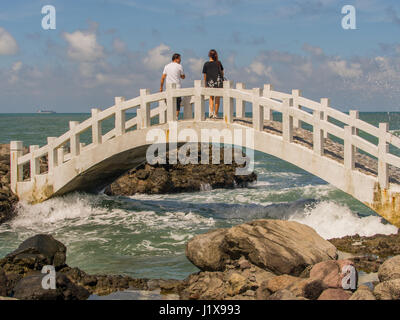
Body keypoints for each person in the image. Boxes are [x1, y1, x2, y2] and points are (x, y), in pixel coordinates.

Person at [160, 53, 185, 119]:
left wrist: (161, 88)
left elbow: (163, 78)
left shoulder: (166, 66)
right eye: (179, 59)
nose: (180, 60)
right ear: (176, 59)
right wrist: (182, 75)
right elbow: (183, 76)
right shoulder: (179, 66)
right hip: (177, 88)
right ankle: (176, 117)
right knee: (177, 104)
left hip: (168, 89)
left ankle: (170, 117)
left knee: (169, 104)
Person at [202, 49, 224, 118]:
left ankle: (211, 112)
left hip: (210, 82)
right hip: (217, 82)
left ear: (209, 55)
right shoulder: (218, 63)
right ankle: (216, 114)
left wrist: (205, 83)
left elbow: (204, 75)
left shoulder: (206, 64)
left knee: (211, 97)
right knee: (217, 98)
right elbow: (222, 73)